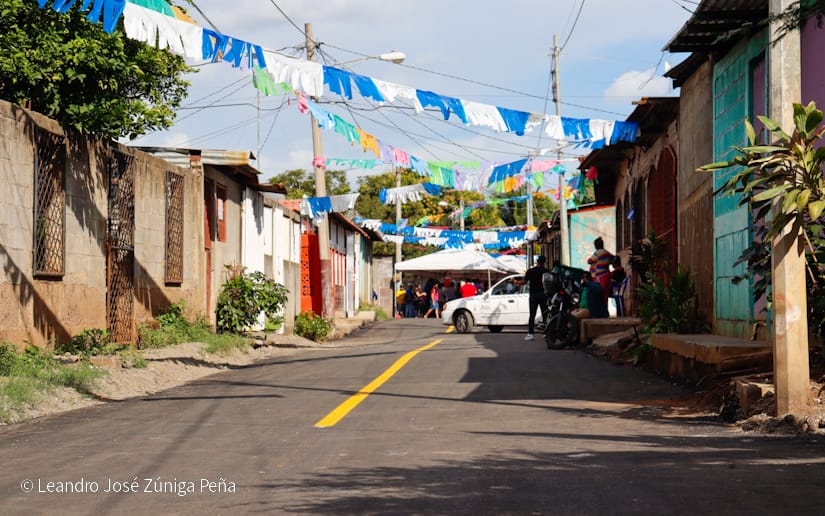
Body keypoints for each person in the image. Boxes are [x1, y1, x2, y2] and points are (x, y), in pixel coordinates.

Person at [520, 255, 548, 341]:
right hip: (543, 295)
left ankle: (530, 334)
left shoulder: (530, 271)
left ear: (537, 261)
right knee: (545, 314)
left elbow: (523, 282)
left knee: (532, 315)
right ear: (544, 262)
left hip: (533, 295)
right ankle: (546, 333)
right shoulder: (546, 271)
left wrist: (516, 282)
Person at [587, 237, 614, 302]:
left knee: (599, 296)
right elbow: (613, 259)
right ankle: (605, 310)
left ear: (596, 246)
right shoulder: (607, 252)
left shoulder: (598, 253)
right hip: (607, 275)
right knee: (605, 296)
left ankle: (601, 311)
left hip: (599, 277)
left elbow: (589, 261)